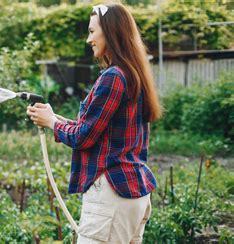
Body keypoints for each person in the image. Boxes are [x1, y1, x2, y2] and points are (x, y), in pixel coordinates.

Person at [27, 3, 162, 243]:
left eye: (92, 31)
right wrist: (53, 118)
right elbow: (97, 129)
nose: (89, 39)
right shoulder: (133, 74)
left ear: (111, 32)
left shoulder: (112, 77)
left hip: (112, 197)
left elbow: (83, 137)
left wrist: (51, 124)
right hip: (134, 194)